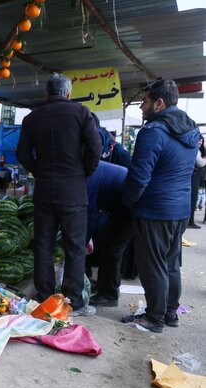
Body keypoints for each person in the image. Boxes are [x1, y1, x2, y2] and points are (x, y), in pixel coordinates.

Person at [16, 73, 102, 316]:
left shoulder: (32, 118)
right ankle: (72, 302)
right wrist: (84, 171)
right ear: (68, 93)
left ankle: (45, 297)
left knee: (42, 245)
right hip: (74, 191)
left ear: (47, 93)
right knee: (74, 247)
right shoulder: (82, 113)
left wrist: (39, 170)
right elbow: (96, 148)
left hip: (44, 191)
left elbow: (22, 154)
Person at [121, 79, 200, 333]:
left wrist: (127, 202)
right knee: (171, 264)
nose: (142, 107)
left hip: (155, 211)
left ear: (159, 103)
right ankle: (169, 313)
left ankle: (154, 318)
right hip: (180, 210)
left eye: (144, 101)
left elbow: (139, 176)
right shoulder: (190, 130)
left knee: (153, 265)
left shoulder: (153, 131)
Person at [86, 162, 132, 307]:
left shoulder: (87, 176)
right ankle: (105, 286)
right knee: (108, 245)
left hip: (129, 205)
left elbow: (89, 213)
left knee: (112, 249)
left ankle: (109, 294)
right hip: (120, 204)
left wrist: (86, 239)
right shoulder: (87, 168)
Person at [187, 135, 205, 228]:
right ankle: (190, 222)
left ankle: (190, 221)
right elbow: (200, 163)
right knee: (192, 199)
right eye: (199, 141)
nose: (200, 142)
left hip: (193, 177)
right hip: (194, 177)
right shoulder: (195, 150)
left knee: (193, 199)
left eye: (202, 141)